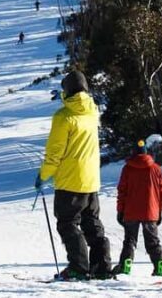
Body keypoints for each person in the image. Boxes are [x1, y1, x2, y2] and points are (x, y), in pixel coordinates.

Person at [35, 71, 113, 281]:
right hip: (91, 180)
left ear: (67, 90)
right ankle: (102, 266)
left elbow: (55, 153)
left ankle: (79, 267)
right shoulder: (92, 112)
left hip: (70, 181)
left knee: (68, 223)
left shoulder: (63, 117)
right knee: (91, 223)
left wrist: (43, 175)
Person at [114, 138, 162, 277]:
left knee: (130, 240)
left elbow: (122, 191)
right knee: (153, 241)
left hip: (131, 211)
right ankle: (160, 265)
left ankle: (125, 265)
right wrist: (159, 211)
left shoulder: (127, 168)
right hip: (151, 211)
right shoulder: (156, 168)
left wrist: (120, 210)